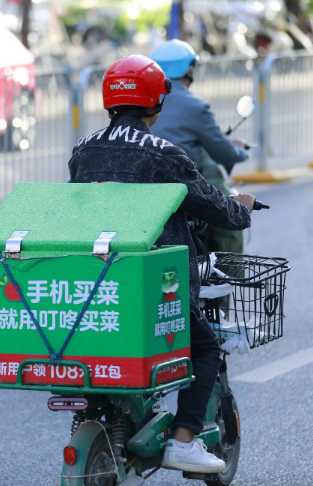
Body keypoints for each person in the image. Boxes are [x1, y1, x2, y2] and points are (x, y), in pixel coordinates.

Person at [68, 54, 256, 474]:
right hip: (156, 281)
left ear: (108, 100)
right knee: (205, 348)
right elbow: (212, 205)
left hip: (99, 278)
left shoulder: (83, 150)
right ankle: (185, 440)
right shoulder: (166, 155)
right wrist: (241, 208)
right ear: (156, 101)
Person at [150, 39, 250, 255]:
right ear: (189, 69)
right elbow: (221, 152)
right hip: (183, 186)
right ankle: (228, 279)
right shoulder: (195, 106)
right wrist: (240, 153)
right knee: (229, 217)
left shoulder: (146, 101)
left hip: (147, 185)